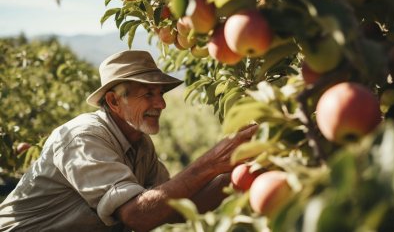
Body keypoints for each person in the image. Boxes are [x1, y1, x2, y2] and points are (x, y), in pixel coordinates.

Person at [0, 50, 258, 232]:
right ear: (113, 101)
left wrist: (239, 170)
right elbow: (138, 216)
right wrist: (212, 162)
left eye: (160, 93)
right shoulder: (83, 138)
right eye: (148, 94)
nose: (161, 103)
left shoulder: (140, 145)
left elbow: (174, 208)